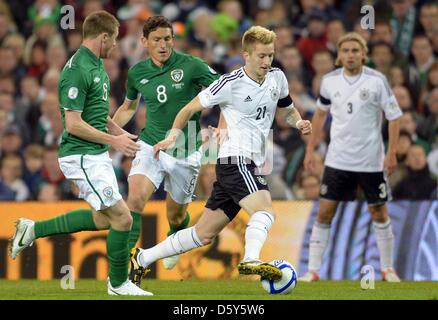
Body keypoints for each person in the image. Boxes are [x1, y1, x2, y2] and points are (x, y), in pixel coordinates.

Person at [129, 26, 312, 281]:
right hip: (235, 160)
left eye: (270, 55)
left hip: (248, 162)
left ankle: (142, 258)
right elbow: (188, 108)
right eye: (261, 56)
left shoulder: (277, 78)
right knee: (265, 211)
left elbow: (288, 110)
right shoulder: (229, 83)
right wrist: (172, 135)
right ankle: (250, 259)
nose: (266, 61)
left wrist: (299, 122)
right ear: (246, 55)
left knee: (202, 234)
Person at [9, 11, 151, 296]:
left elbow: (96, 115)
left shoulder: (96, 65)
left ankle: (32, 230)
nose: (116, 47)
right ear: (103, 37)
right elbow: (73, 124)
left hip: (95, 154)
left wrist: (119, 133)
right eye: (114, 40)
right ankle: (118, 283)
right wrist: (114, 141)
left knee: (103, 219)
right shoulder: (77, 69)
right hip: (81, 155)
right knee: (123, 218)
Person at [111, 15, 220, 285]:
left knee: (177, 214)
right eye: (157, 39)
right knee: (135, 199)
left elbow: (223, 89)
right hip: (151, 145)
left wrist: (223, 125)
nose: (163, 44)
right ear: (144, 42)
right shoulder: (137, 72)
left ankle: (174, 238)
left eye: (168, 39)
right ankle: (125, 269)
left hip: (187, 149)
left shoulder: (192, 65)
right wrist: (108, 132)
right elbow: (128, 107)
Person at [299, 32, 403, 282]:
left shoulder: (377, 81)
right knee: (325, 212)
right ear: (338, 56)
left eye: (355, 50)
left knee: (379, 212)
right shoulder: (329, 82)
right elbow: (321, 116)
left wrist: (391, 153)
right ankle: (312, 270)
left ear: (364, 55)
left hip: (370, 160)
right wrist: (311, 150)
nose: (350, 55)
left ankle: (387, 269)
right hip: (337, 160)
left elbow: (394, 116)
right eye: (345, 50)